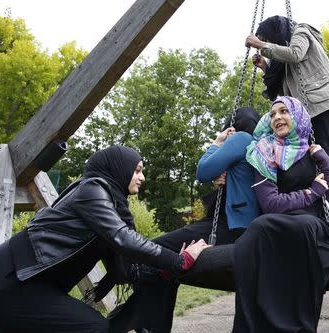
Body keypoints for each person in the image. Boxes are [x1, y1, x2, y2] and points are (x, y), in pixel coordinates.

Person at [0, 145, 210, 333]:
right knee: (92, 327)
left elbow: (123, 271)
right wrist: (178, 261)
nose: (142, 177)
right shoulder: (92, 189)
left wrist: (162, 271)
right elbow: (123, 238)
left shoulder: (113, 205)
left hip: (32, 284)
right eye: (137, 170)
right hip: (11, 279)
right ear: (119, 168)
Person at [111, 107, 262, 333]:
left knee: (155, 251)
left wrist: (217, 142)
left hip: (229, 228)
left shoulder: (241, 138)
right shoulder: (260, 147)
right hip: (240, 227)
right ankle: (142, 321)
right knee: (166, 266)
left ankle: (132, 319)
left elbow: (202, 170)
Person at [244, 15, 329, 258]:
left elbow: (294, 53)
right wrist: (266, 68)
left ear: (274, 33)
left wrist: (262, 46)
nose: (267, 44)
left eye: (268, 39)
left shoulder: (301, 31)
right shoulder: (283, 64)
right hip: (323, 109)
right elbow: (285, 98)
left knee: (328, 166)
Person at [232, 96, 329, 332]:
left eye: (284, 112)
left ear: (298, 116)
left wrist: (324, 161)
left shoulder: (312, 152)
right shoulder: (264, 153)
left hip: (313, 224)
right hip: (277, 221)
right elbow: (270, 203)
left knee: (301, 227)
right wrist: (311, 192)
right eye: (272, 114)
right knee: (260, 228)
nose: (277, 117)